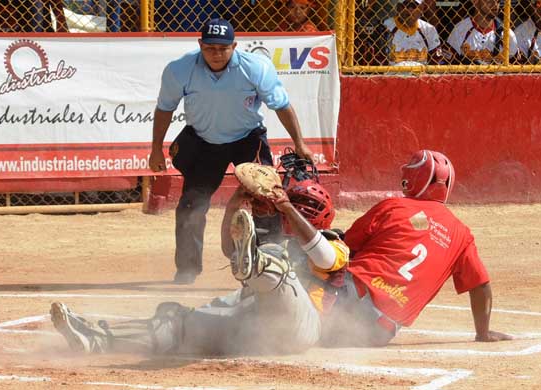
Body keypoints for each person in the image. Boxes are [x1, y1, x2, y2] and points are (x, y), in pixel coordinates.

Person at [50, 163, 349, 356]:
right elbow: (229, 252)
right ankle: (96, 340)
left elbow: (322, 258)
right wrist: (234, 205)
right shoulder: (273, 240)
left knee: (269, 257)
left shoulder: (335, 244)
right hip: (252, 329)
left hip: (301, 328)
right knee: (177, 324)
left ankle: (255, 263)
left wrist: (286, 208)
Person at [148, 18, 313, 285]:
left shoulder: (255, 68)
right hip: (203, 142)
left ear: (234, 46)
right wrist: (156, 149)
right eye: (210, 48)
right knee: (191, 205)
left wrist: (300, 142)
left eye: (223, 48)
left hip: (248, 139)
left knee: (267, 198)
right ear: (200, 45)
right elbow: (164, 109)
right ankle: (188, 270)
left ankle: (270, 261)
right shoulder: (179, 70)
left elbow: (281, 105)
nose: (216, 53)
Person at [321, 150, 513, 347]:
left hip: (350, 299)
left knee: (318, 255)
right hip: (378, 332)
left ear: (413, 178)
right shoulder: (462, 234)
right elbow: (481, 286)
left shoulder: (394, 206)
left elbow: (345, 249)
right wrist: (482, 332)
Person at [447, 0, 520, 64]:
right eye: (489, 0)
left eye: (498, 1)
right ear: (475, 2)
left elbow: (518, 67)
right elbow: (447, 64)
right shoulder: (460, 29)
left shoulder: (507, 34)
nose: (495, 4)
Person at [378, 0, 446, 66]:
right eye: (406, 5)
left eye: (414, 6)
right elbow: (378, 61)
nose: (409, 10)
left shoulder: (429, 29)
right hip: (392, 76)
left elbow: (437, 61)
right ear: (398, 7)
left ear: (422, 8)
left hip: (421, 76)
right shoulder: (385, 27)